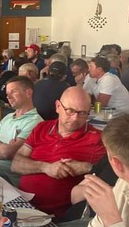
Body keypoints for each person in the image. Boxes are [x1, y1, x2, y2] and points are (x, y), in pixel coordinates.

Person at [11, 87, 106, 218]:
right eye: (70, 111)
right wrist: (46, 167)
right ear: (58, 107)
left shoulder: (97, 139)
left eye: (82, 113)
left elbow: (116, 177)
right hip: (21, 204)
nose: (75, 118)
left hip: (56, 216)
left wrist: (87, 167)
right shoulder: (41, 128)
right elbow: (16, 164)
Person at [0, 76, 43, 187]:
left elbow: (7, 152)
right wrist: (2, 147)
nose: (8, 97)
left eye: (13, 92)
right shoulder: (8, 117)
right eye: (7, 93)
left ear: (28, 93)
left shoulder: (36, 122)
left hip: (8, 180)